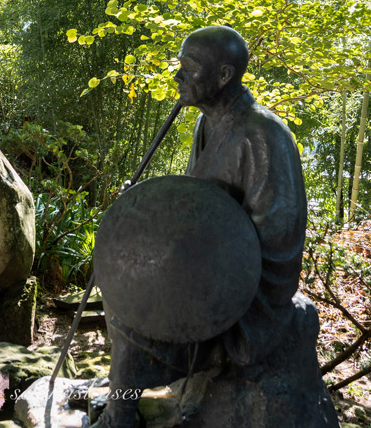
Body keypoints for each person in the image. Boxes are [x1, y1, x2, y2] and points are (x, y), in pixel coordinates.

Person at [96, 25, 307, 427]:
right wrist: (145, 206)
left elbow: (277, 240)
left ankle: (119, 412)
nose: (178, 76)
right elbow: (196, 205)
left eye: (188, 69)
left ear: (224, 76)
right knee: (123, 281)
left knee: (134, 312)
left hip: (240, 293)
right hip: (201, 266)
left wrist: (208, 277)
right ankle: (120, 402)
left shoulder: (263, 135)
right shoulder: (206, 124)